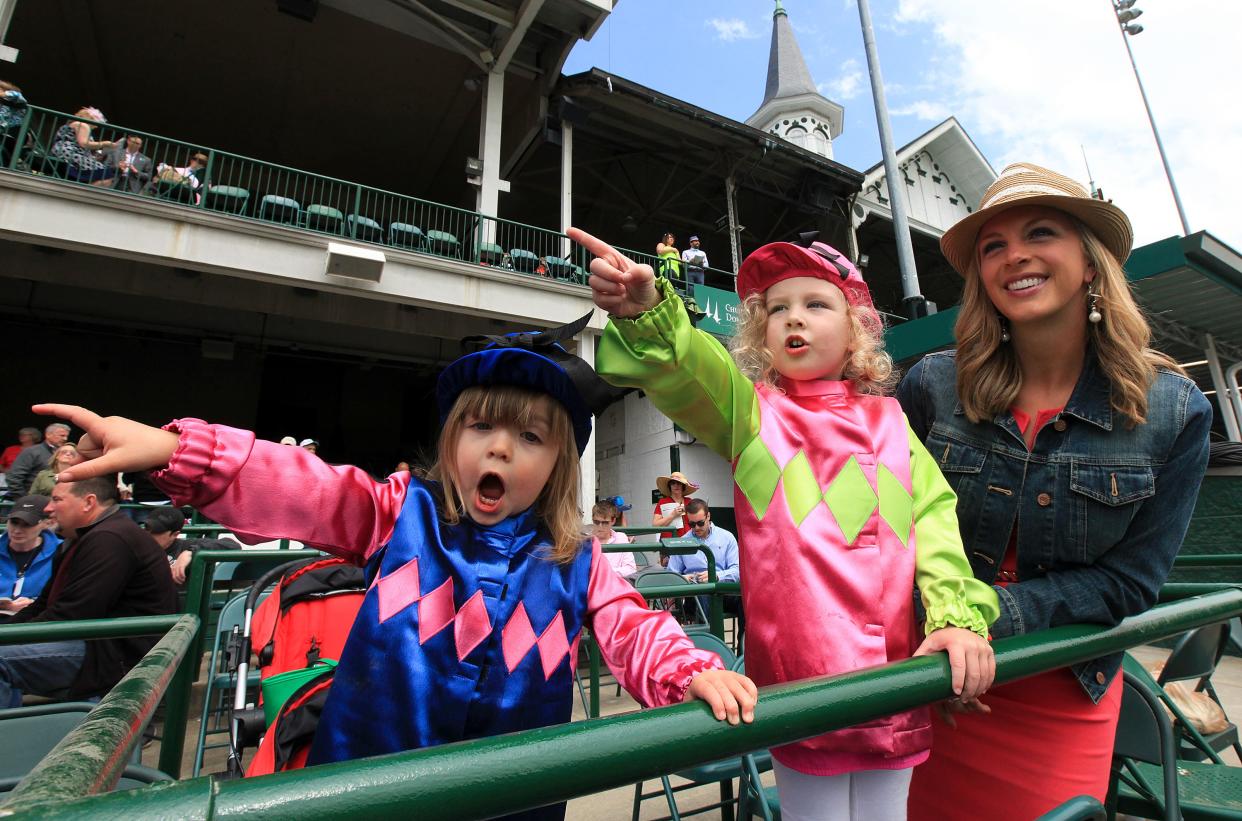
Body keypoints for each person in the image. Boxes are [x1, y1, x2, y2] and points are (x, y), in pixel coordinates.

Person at [34, 315, 756, 818]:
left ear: (559, 462)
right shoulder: (395, 513)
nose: (499, 449)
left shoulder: (578, 560)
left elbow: (633, 628)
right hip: (368, 795)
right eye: (481, 426)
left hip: (514, 806)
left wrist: (689, 671)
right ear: (451, 440)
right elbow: (301, 487)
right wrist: (174, 450)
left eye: (529, 435)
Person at [571, 224, 998, 821]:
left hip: (896, 682)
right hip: (800, 690)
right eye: (777, 309)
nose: (793, 319)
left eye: (815, 304)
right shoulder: (750, 416)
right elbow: (696, 372)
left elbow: (933, 519)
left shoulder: (893, 422)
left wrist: (956, 616)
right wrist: (652, 316)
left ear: (856, 331)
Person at [895, 162, 1213, 819]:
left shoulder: (1175, 409)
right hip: (935, 675)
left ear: (1091, 264)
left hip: (1061, 687)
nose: (1015, 256)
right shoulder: (931, 386)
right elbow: (886, 532)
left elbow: (1129, 583)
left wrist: (986, 613)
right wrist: (942, 625)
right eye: (993, 246)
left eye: (1040, 233)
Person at [0, 476, 176, 706]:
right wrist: (7, 633)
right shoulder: (84, 537)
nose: (49, 508)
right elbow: (44, 605)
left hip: (114, 656)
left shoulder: (110, 538)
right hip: (93, 646)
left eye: (57, 499)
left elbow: (71, 614)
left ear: (88, 502)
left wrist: (9, 639)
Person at [668, 499, 739, 622]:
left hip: (723, 591)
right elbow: (671, 574)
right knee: (703, 590)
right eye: (691, 524)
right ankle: (710, 639)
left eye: (700, 523)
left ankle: (744, 641)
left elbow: (738, 571)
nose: (696, 528)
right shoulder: (682, 541)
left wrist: (716, 576)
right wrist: (685, 578)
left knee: (749, 599)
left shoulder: (727, 537)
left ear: (708, 516)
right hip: (695, 595)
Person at [143, 506, 240, 586]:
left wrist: (191, 552)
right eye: (147, 528)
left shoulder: (184, 546)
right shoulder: (137, 544)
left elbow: (232, 546)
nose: (149, 535)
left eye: (157, 532)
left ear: (174, 534)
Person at [0, 495, 61, 618]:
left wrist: (35, 603)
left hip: (37, 622)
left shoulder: (61, 551)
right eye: (14, 522)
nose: (17, 530)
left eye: (27, 524)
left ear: (48, 523)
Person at [49, 107, 117, 184]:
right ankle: (86, 192)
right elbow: (84, 143)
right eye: (96, 123)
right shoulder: (83, 124)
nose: (96, 126)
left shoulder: (74, 124)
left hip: (63, 151)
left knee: (101, 171)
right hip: (71, 152)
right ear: (91, 119)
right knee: (106, 173)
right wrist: (104, 143)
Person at [7, 422, 70, 498]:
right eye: (62, 435)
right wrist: (24, 499)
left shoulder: (66, 452)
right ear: (48, 435)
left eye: (66, 436)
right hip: (35, 501)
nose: (65, 439)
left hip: (59, 499)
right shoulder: (32, 452)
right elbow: (14, 477)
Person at [591, 500, 636, 578]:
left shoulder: (621, 537)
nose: (600, 526)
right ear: (592, 519)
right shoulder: (586, 540)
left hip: (615, 586)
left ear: (613, 521)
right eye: (596, 522)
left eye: (605, 523)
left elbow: (631, 569)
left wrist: (604, 573)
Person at [652, 470, 699, 539]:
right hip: (669, 541)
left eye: (679, 483)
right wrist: (673, 515)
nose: (676, 485)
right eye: (673, 483)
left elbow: (697, 519)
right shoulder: (663, 501)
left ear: (683, 486)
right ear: (669, 486)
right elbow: (655, 525)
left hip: (689, 540)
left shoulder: (689, 501)